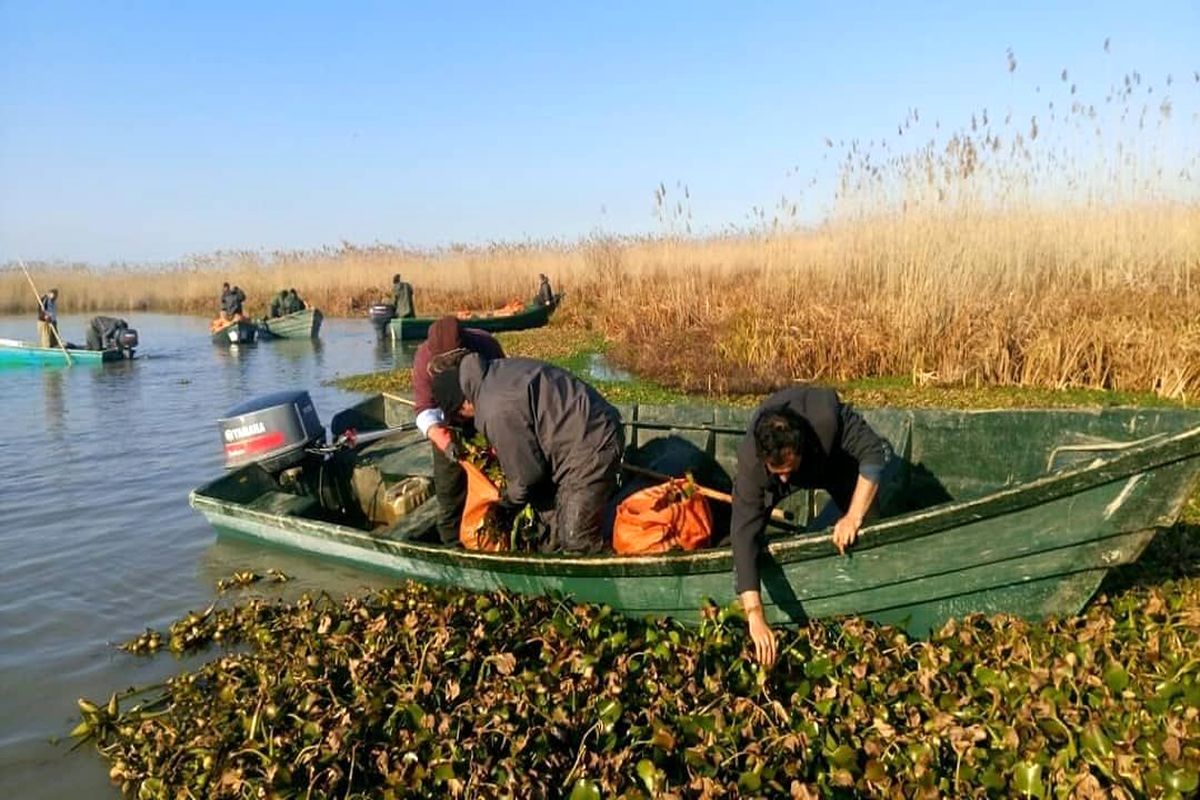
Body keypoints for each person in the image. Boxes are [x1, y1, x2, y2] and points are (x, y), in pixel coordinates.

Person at [730, 386, 889, 667]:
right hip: (768, 478)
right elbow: (743, 536)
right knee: (749, 540)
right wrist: (755, 613)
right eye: (777, 473)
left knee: (867, 516)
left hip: (834, 464)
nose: (784, 479)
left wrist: (853, 516)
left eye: (787, 471)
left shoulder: (827, 419)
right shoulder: (753, 466)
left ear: (799, 449)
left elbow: (873, 456)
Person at [432, 353, 624, 553]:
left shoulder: (495, 411)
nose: (464, 420)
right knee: (556, 523)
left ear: (464, 404)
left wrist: (506, 505)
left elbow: (528, 477)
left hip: (592, 442)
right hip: (585, 427)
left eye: (459, 416)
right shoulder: (494, 369)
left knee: (576, 539)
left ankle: (615, 574)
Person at [413, 317, 505, 544]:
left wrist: (496, 442)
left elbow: (503, 396)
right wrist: (445, 442)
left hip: (485, 418)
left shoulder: (485, 346)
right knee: (449, 494)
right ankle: (453, 547)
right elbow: (424, 410)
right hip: (448, 424)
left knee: (498, 484)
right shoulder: (423, 357)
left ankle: (496, 538)